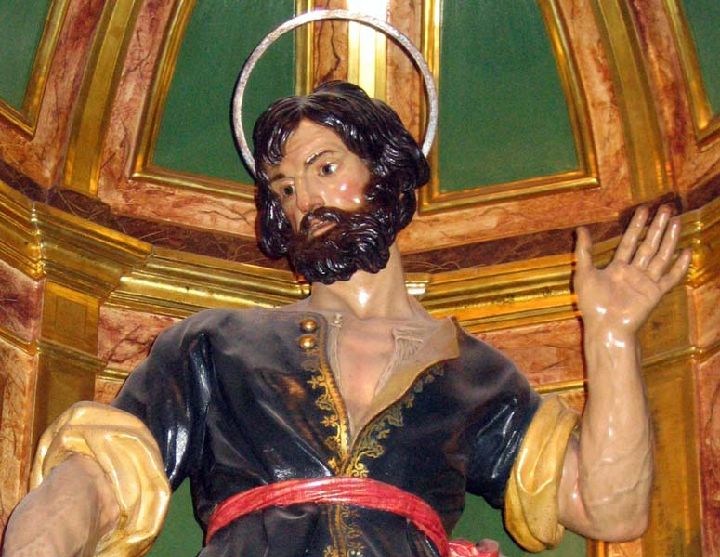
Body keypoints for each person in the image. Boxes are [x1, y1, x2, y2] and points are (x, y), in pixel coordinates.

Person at [2, 82, 691, 557]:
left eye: (324, 167)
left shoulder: (476, 373)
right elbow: (98, 476)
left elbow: (609, 507)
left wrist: (610, 338)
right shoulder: (215, 344)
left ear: (386, 170)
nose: (305, 200)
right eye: (285, 188)